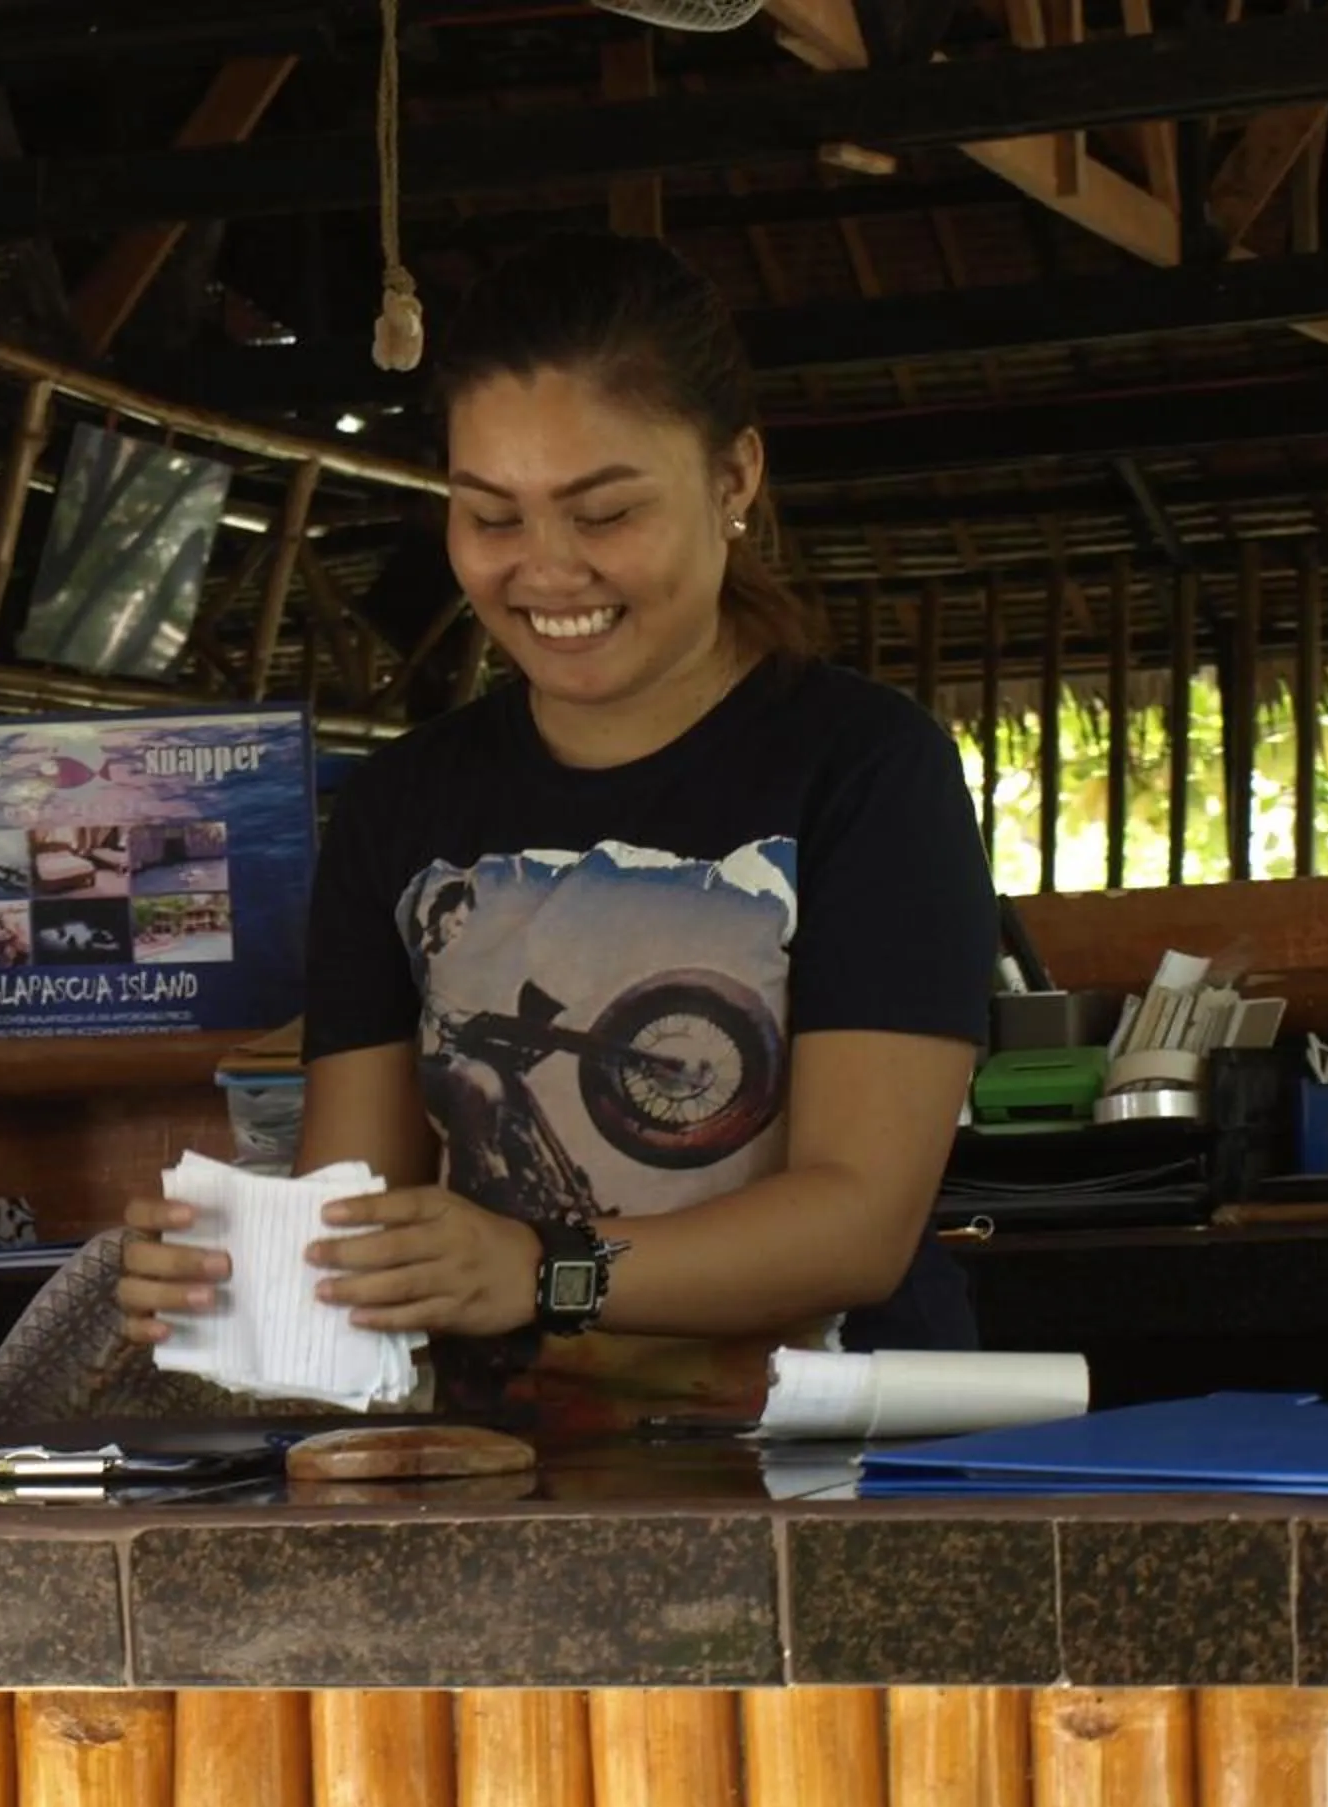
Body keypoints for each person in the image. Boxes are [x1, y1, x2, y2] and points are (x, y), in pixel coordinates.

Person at [106, 233, 998, 1425]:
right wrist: (235, 1279)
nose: (547, 571)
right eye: (492, 516)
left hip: (826, 1466)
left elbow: (856, 1226)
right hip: (505, 1474)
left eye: (604, 511)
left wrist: (537, 1271)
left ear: (734, 479)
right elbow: (355, 1215)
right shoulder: (398, 811)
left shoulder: (864, 770)